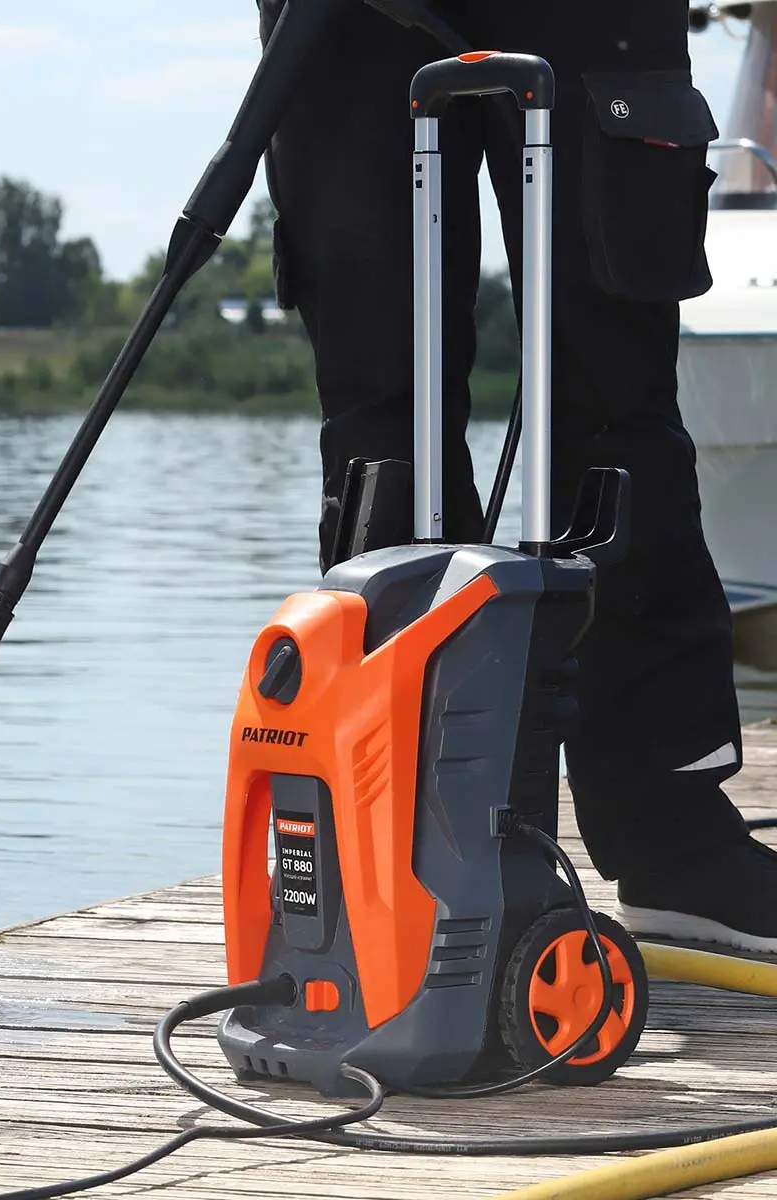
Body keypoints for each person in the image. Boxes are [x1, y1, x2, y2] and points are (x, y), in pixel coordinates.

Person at [256, 0, 777, 950]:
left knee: (620, 419)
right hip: (347, 23)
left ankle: (674, 845)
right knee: (385, 438)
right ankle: (402, 836)